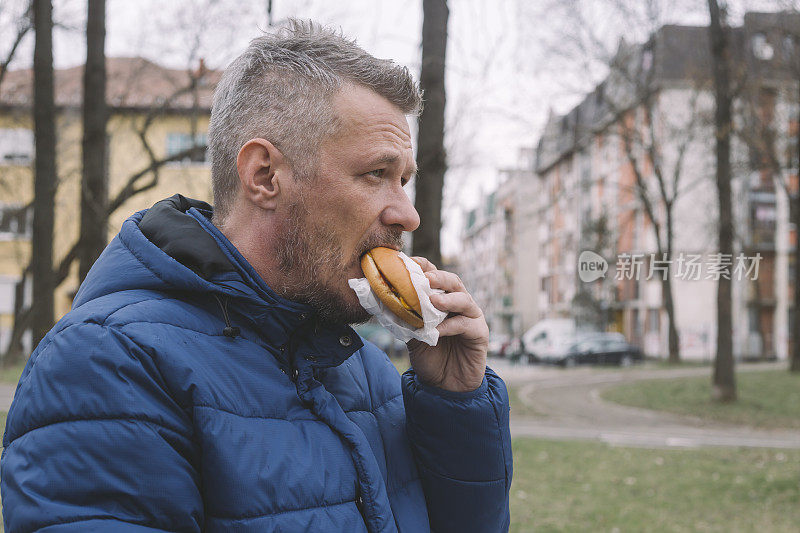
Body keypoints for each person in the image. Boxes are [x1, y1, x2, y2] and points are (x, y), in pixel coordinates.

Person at [1, 20, 512, 533]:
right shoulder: (108, 365)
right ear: (264, 176)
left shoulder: (367, 371)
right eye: (376, 174)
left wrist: (454, 404)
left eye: (404, 180)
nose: (408, 214)